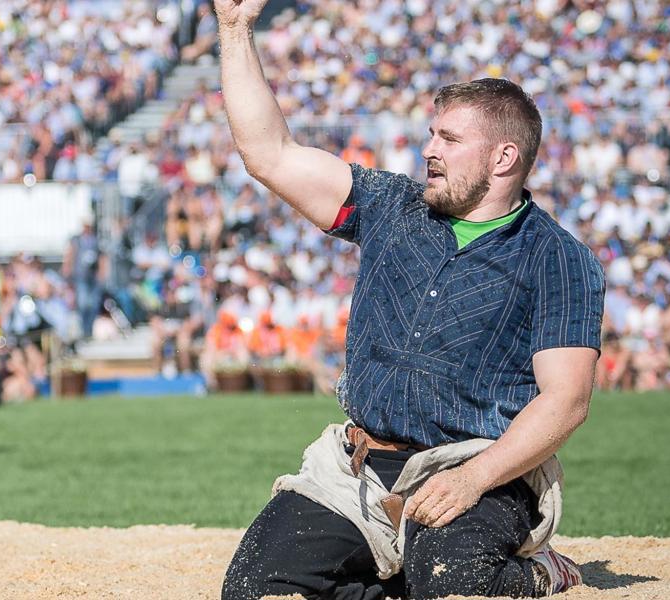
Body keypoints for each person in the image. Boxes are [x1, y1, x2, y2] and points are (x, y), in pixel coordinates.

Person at [215, 1, 605, 599]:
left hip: (478, 467)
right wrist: (235, 28)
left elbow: (567, 400)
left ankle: (535, 572)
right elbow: (270, 155)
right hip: (358, 467)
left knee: (452, 585)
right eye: (431, 134)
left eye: (449, 138)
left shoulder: (558, 257)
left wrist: (475, 477)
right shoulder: (391, 207)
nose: (430, 148)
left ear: (504, 158)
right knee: (254, 588)